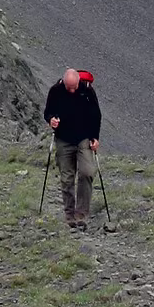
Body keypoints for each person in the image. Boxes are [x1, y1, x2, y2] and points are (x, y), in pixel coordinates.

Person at [44, 67, 101, 229]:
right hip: (63, 139)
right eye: (69, 87)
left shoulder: (87, 90)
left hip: (83, 138)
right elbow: (48, 112)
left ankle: (81, 214)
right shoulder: (55, 90)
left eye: (74, 87)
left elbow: (96, 115)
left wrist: (95, 137)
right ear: (64, 82)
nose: (72, 90)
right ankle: (70, 215)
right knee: (67, 178)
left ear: (79, 81)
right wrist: (51, 120)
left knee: (87, 172)